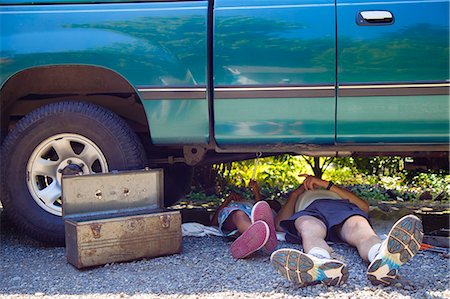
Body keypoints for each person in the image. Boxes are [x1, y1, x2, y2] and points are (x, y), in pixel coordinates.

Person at [271, 174, 424, 287]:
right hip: (310, 212)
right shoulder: (300, 198)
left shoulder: (337, 194)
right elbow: (278, 225)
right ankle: (320, 262)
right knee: (308, 227)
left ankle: (381, 257)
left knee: (359, 226)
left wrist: (326, 184)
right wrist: (296, 194)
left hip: (341, 209)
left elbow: (364, 207)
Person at [211, 180, 278, 259]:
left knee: (248, 215)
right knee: (239, 214)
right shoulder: (245, 203)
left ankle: (253, 241)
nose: (270, 203)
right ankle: (259, 234)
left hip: (247, 221)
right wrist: (228, 200)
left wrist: (256, 191)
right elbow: (214, 222)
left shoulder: (257, 208)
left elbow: (260, 206)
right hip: (233, 216)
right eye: (269, 202)